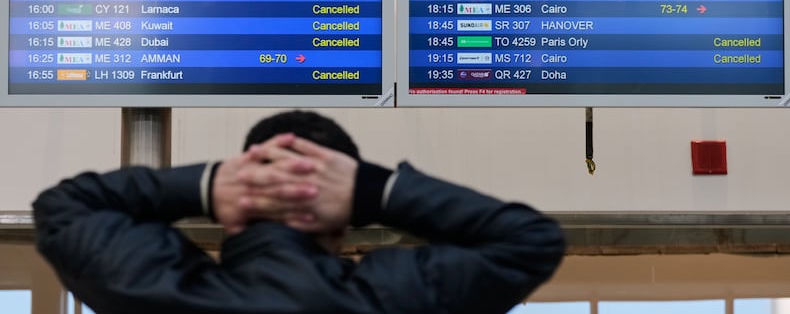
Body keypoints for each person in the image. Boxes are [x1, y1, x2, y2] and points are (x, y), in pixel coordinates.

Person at [33, 110, 565, 314]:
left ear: (231, 208)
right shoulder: (396, 300)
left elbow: (61, 209)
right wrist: (375, 190)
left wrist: (206, 183)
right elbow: (530, 240)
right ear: (343, 219)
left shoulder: (157, 290)